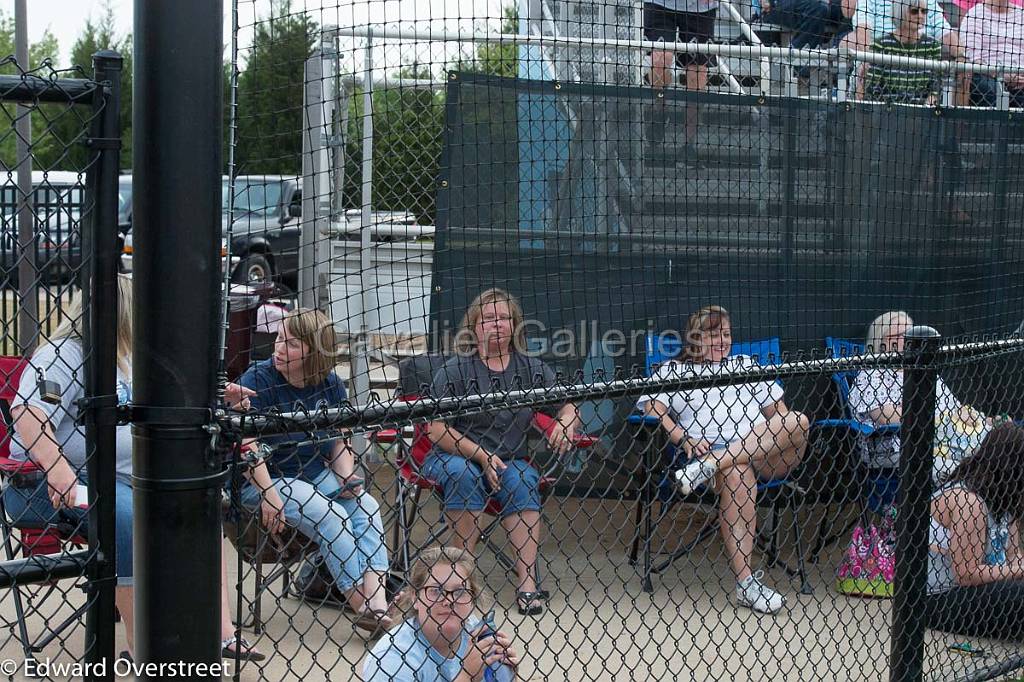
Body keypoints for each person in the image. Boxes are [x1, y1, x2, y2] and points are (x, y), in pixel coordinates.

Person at [1, 275, 262, 660]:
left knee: (199, 508)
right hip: (48, 484)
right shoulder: (63, 354)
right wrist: (58, 469)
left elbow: (166, 401)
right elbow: (27, 413)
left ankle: (220, 635)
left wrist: (218, 395)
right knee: (126, 514)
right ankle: (142, 646)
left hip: (131, 480)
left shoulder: (128, 357)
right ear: (124, 313)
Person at [637, 305, 810, 614]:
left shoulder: (746, 364)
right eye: (713, 334)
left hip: (766, 453)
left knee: (799, 421)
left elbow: (780, 417)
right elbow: (652, 409)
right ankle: (747, 585)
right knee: (737, 473)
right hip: (717, 455)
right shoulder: (674, 371)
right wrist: (682, 437)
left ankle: (715, 462)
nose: (722, 341)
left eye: (726, 334)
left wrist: (766, 436)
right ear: (694, 338)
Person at [425, 288, 581, 616]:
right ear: (475, 326)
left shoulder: (531, 368)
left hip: (510, 459)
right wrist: (481, 456)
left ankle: (526, 583)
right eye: (488, 319)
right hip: (458, 456)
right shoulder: (455, 370)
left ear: (515, 325)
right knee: (462, 474)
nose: (496, 324)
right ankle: (460, 579)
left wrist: (565, 423)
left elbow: (569, 406)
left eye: (503, 318)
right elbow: (436, 430)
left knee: (524, 477)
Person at [236, 307, 392, 635]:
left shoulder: (330, 384)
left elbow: (339, 440)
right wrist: (269, 494)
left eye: (291, 344)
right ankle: (362, 606)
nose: (279, 348)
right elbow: (244, 443)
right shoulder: (258, 379)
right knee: (329, 513)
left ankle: (378, 604)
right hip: (264, 479)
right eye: (279, 339)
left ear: (313, 351)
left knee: (366, 506)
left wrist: (347, 476)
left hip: (312, 474)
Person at [848, 311, 983, 472]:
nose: (910, 340)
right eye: (902, 334)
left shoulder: (923, 372)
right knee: (964, 468)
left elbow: (955, 407)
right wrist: (944, 416)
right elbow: (888, 417)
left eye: (911, 333)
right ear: (881, 340)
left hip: (948, 441)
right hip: (900, 449)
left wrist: (970, 415)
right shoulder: (871, 375)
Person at [363, 546, 520, 681]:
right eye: (436, 591)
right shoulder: (392, 658)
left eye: (459, 591)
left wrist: (509, 675)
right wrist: (466, 677)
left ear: (472, 598)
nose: (449, 600)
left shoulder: (476, 633)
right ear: (415, 598)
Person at [927, 423, 1024, 640]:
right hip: (939, 597)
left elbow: (1014, 555)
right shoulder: (969, 502)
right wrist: (1016, 570)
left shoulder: (1006, 499)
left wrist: (1018, 565)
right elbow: (966, 573)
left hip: (984, 588)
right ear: (1011, 468)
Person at [643, 0, 719, 161]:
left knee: (697, 74)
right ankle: (659, 111)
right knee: (660, 59)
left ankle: (689, 144)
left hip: (701, 9)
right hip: (660, 5)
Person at [864, 0, 943, 104]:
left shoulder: (933, 46)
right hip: (887, 112)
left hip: (921, 113)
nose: (920, 16)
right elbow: (872, 88)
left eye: (924, 11)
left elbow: (936, 87)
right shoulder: (881, 45)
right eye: (914, 11)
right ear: (899, 12)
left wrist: (930, 102)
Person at [960, 0, 1024, 107]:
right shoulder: (975, 15)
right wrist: (1002, 75)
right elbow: (974, 58)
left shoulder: (1022, 14)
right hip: (987, 75)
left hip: (1020, 76)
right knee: (989, 88)